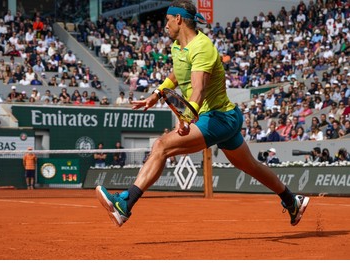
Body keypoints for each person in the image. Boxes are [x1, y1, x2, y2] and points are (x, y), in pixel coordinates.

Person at [96, 0, 309, 227]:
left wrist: (187, 119)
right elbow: (178, 73)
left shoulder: (202, 47)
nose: (165, 26)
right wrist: (157, 94)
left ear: (178, 19)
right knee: (251, 167)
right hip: (221, 118)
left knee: (161, 146)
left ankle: (125, 204)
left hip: (219, 117)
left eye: (167, 20)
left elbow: (199, 89)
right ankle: (291, 200)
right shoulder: (178, 46)